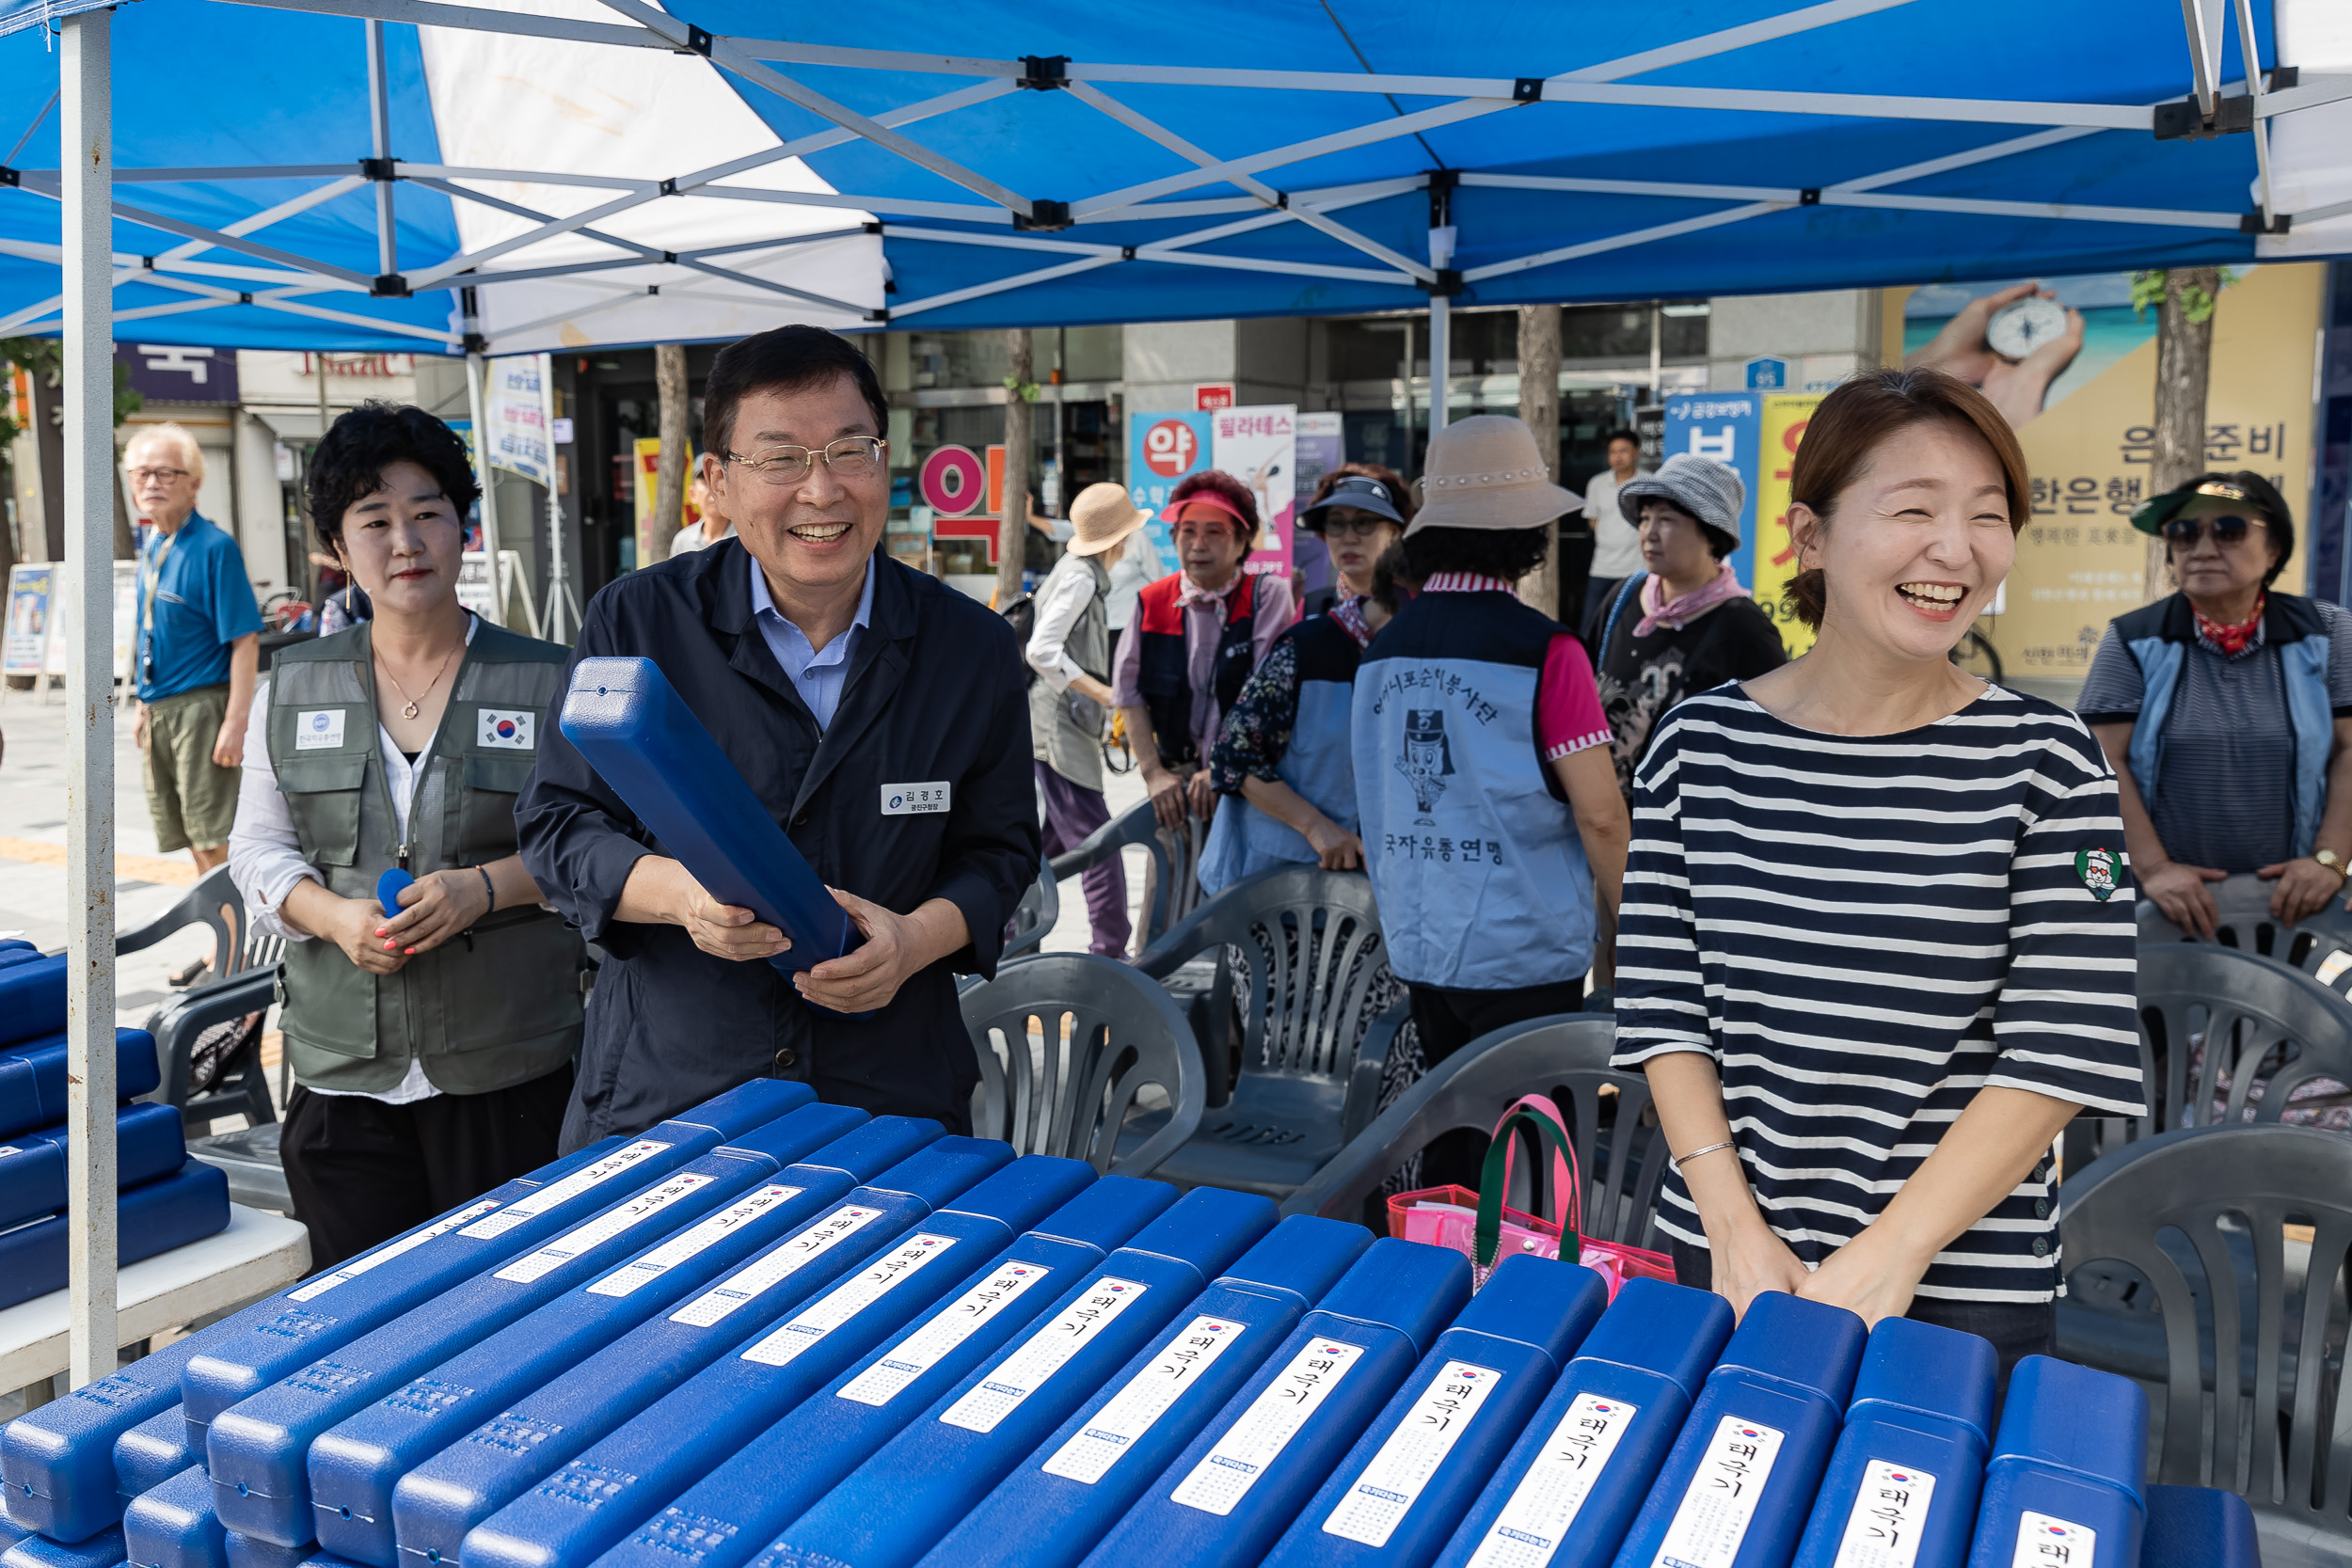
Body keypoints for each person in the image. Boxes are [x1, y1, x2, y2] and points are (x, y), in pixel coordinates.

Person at [1611, 368, 2143, 1384]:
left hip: (1954, 1276)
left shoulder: (2047, 759)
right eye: (1913, 509)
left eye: (1989, 515)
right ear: (1808, 537)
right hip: (1724, 1253)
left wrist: (1891, 1250)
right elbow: (1662, 1003)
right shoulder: (1700, 745)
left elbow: (2062, 1044)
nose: (1958, 548)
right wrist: (1731, 1226)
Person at [516, 325, 1037, 1148]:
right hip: (673, 1092)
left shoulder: (970, 648)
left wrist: (909, 942)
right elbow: (558, 826)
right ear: (716, 482)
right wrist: (683, 896)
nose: (822, 491)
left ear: (885, 459)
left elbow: (1000, 852)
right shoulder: (638, 619)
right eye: (781, 458)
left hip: (889, 1093)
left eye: (846, 450)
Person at [228, 403, 585, 1269]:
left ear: (463, 529)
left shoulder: (548, 678)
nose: (405, 541)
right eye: (374, 520)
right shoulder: (294, 684)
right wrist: (332, 916)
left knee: (511, 1308)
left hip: (511, 1066)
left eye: (427, 512)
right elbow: (257, 849)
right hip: (341, 1070)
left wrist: (485, 887)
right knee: (359, 1321)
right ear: (339, 549)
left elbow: (597, 843)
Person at [1354, 415, 1631, 1184]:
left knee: (1455, 1122)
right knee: (1531, 1148)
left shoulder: (1381, 652)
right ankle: (1514, 1293)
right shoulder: (1548, 651)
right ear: (1526, 535)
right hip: (1523, 945)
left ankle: (1435, 1275)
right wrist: (1639, 932)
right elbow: (1602, 813)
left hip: (1420, 938)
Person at [2080, 472, 2352, 939]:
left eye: (2228, 530)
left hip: (2293, 898)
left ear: (2273, 551)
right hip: (2172, 901)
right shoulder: (2132, 638)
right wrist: (2154, 869)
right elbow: (2104, 761)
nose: (2202, 548)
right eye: (2183, 534)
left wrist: (2329, 860)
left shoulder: (2327, 632)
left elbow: (2351, 749)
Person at [1200, 545, 1414, 895]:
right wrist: (1315, 826)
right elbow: (1233, 755)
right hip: (1270, 887)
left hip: (1365, 891)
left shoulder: (1413, 659)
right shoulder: (1307, 646)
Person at [1593, 452, 1788, 802]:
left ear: (1711, 535)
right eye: (1645, 518)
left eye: (1667, 520)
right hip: (1602, 819)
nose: (1649, 533)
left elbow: (1775, 741)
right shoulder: (1624, 596)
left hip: (1685, 831)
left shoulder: (1743, 626)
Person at [1113, 468, 1297, 832]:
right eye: (1188, 531)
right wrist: (1153, 773)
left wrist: (1222, 766)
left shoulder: (1267, 595)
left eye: (1215, 532)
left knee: (1240, 887)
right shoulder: (1151, 601)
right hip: (1175, 784)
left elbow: (1265, 695)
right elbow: (1127, 692)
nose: (1199, 544)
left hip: (1249, 777)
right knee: (1168, 886)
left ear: (1243, 542)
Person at [126, 423, 262, 883]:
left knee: (214, 833)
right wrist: (143, 705)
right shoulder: (155, 544)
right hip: (160, 709)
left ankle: (231, 944)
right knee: (185, 831)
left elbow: (244, 640)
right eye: (141, 473)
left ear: (195, 483)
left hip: (203, 710)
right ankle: (220, 937)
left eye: (166, 473)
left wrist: (235, 723)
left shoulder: (214, 547)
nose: (151, 484)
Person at [1025, 483, 1145, 957]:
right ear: (1121, 539)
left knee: (1049, 851)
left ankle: (1013, 947)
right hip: (1059, 729)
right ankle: (1109, 953)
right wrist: (1105, 693)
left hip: (1058, 725)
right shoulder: (1081, 577)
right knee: (1100, 845)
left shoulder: (1080, 572)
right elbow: (1042, 650)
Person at [1295, 464, 1411, 619]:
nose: (1349, 539)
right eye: (1336, 524)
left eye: (1363, 523)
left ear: (1394, 533)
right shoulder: (1311, 609)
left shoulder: (1418, 605)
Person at [1580, 429, 1645, 637]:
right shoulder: (1597, 483)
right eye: (1612, 451)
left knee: (1635, 625)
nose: (1617, 456)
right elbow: (1593, 520)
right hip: (1602, 567)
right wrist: (1611, 536)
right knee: (1591, 626)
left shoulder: (1649, 482)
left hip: (1637, 569)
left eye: (1623, 451)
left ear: (1636, 452)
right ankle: (1589, 668)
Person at [668, 472, 735, 557]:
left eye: (719, 481)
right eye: (706, 482)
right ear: (693, 494)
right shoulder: (683, 541)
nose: (713, 490)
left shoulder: (745, 538)